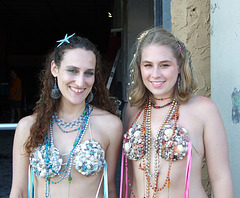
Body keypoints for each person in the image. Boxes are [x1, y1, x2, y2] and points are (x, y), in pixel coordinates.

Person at [120, 27, 234, 198]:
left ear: (180, 66)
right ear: (139, 68)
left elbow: (220, 178)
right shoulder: (132, 110)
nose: (155, 74)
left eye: (165, 65)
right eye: (148, 65)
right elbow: (128, 177)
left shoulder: (204, 110)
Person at [10, 33, 123, 198]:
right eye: (72, 71)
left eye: (89, 73)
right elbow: (19, 191)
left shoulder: (110, 125)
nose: (80, 82)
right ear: (55, 69)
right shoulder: (28, 127)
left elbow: (109, 188)